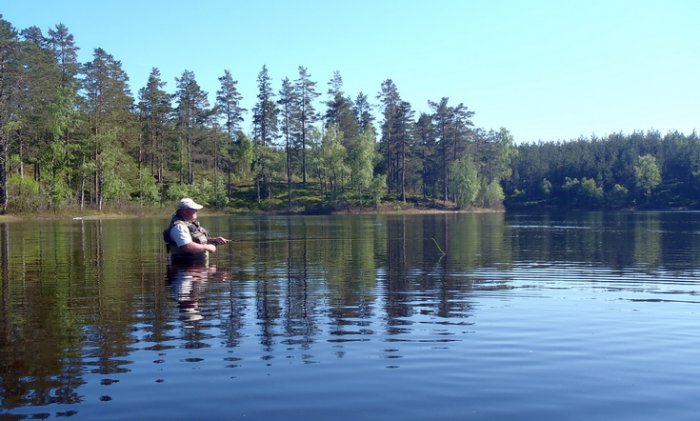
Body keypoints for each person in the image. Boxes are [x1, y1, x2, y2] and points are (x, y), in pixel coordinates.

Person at [164, 198, 230, 261]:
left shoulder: (189, 223)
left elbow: (194, 240)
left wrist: (213, 240)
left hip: (196, 267)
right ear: (185, 211)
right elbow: (187, 246)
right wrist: (208, 247)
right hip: (185, 268)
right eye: (194, 209)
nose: (197, 211)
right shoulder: (179, 227)